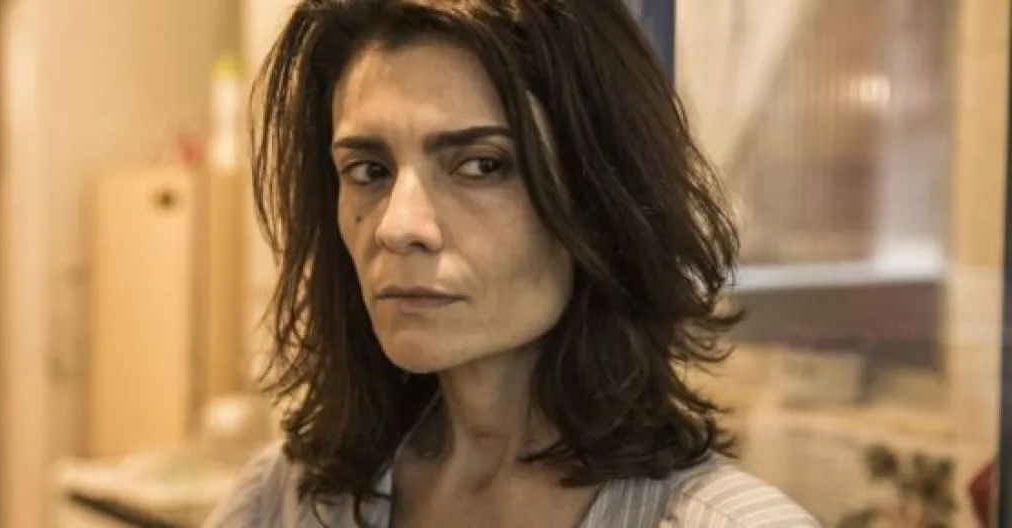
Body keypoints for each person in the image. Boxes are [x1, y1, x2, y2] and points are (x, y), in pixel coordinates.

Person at [207, 0, 819, 526]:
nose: (397, 227)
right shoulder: (282, 499)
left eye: (482, 166)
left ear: (601, 199)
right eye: (369, 170)